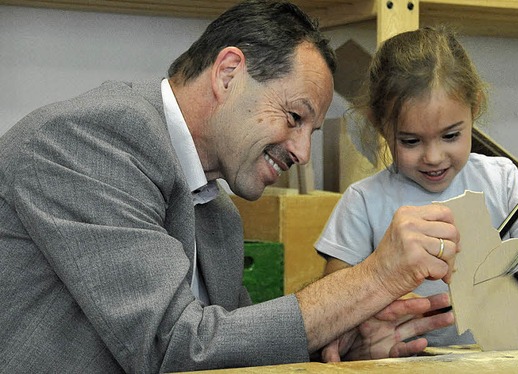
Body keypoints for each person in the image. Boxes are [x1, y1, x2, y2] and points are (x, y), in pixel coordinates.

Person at [0, 2, 461, 372]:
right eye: (295, 117)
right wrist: (376, 276)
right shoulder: (92, 139)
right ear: (228, 73)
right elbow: (173, 348)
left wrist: (339, 342)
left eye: (310, 133)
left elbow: (231, 343)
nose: (301, 152)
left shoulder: (217, 212)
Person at [316, 25, 518, 349]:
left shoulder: (501, 179)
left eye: (450, 136)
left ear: (474, 107)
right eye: (410, 141)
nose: (434, 157)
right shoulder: (363, 201)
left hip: (493, 360)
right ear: (380, 124)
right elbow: (334, 307)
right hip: (399, 363)